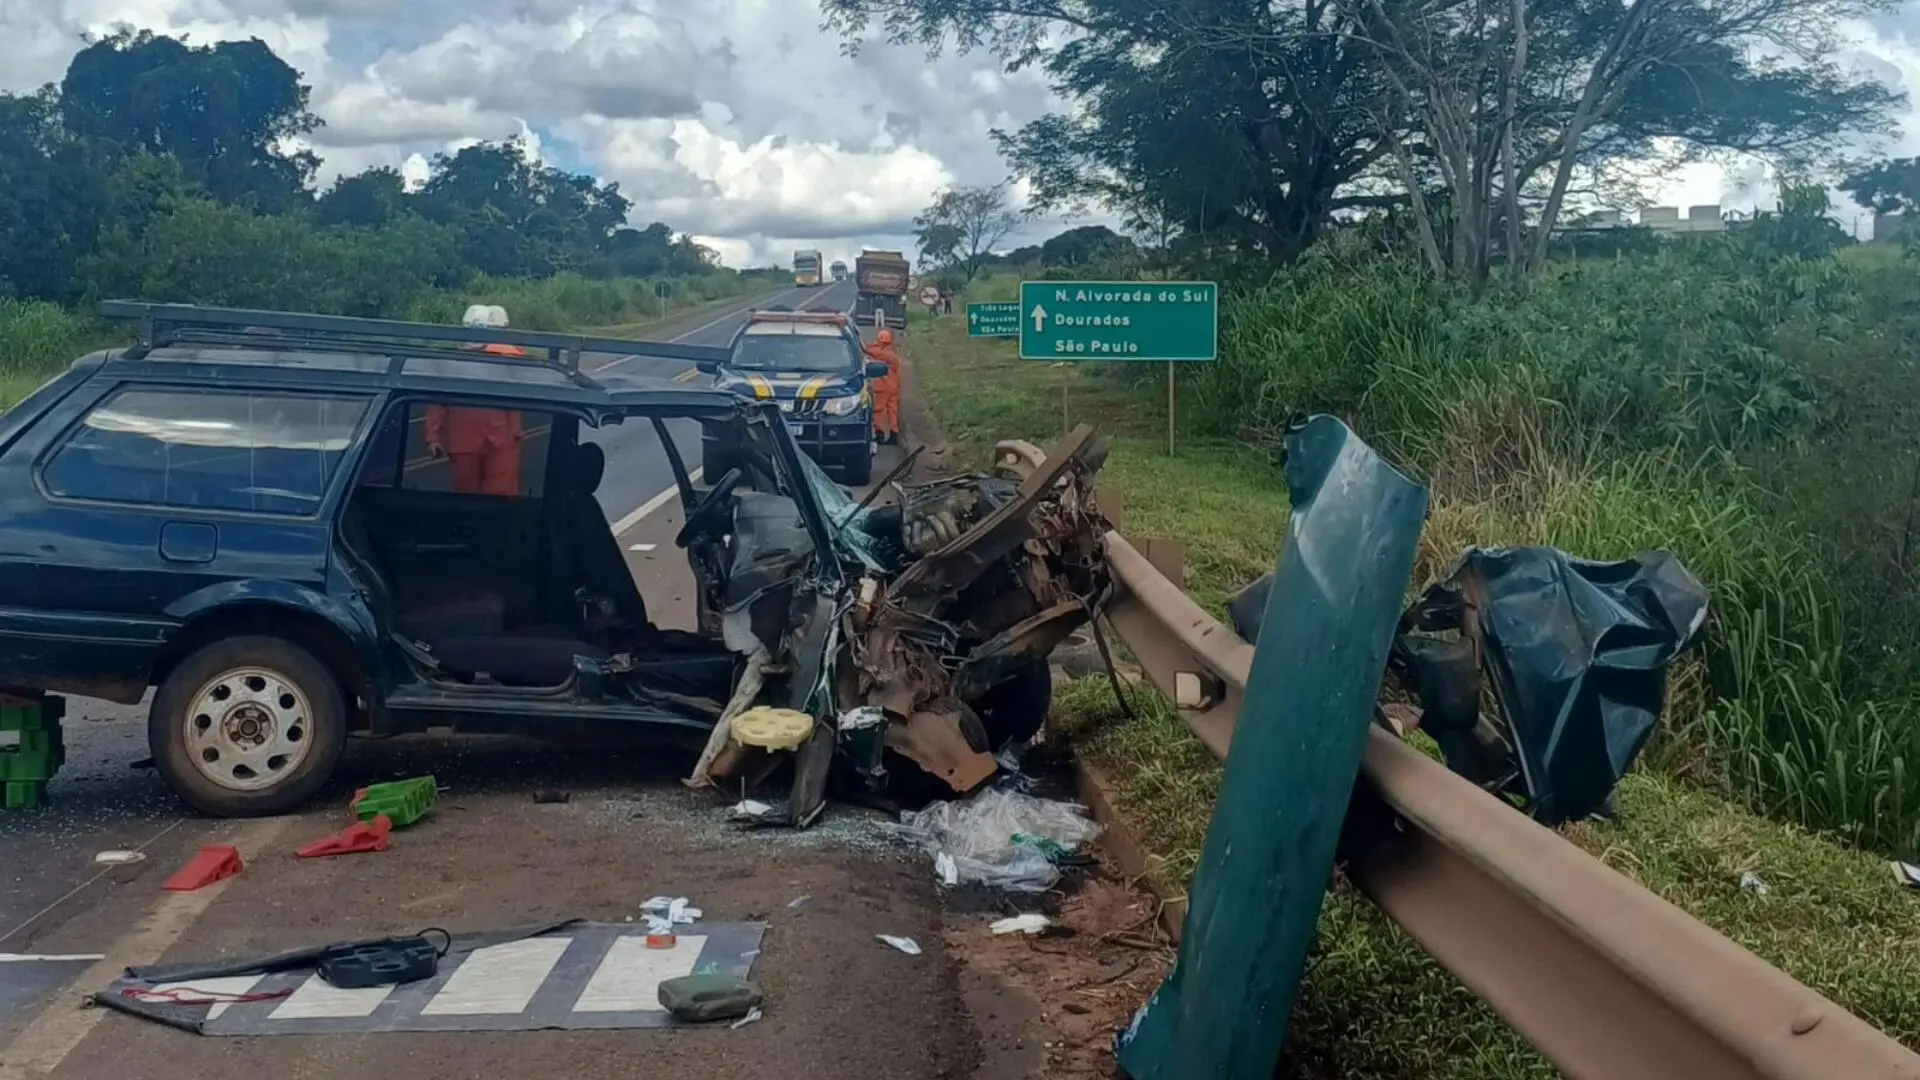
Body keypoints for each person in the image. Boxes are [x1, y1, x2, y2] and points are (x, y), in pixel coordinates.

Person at [425, 306, 528, 496]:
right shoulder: (451, 362)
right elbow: (437, 398)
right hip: (465, 440)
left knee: (500, 496)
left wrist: (515, 433)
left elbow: (516, 394)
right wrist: (432, 437)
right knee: (466, 497)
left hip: (500, 439)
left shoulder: (508, 357)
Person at [864, 328, 903, 446]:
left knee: (878, 411)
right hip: (894, 386)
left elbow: (869, 350)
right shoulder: (892, 353)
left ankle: (879, 433)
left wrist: (861, 344)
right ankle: (894, 434)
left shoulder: (882, 354)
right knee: (892, 410)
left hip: (883, 386)